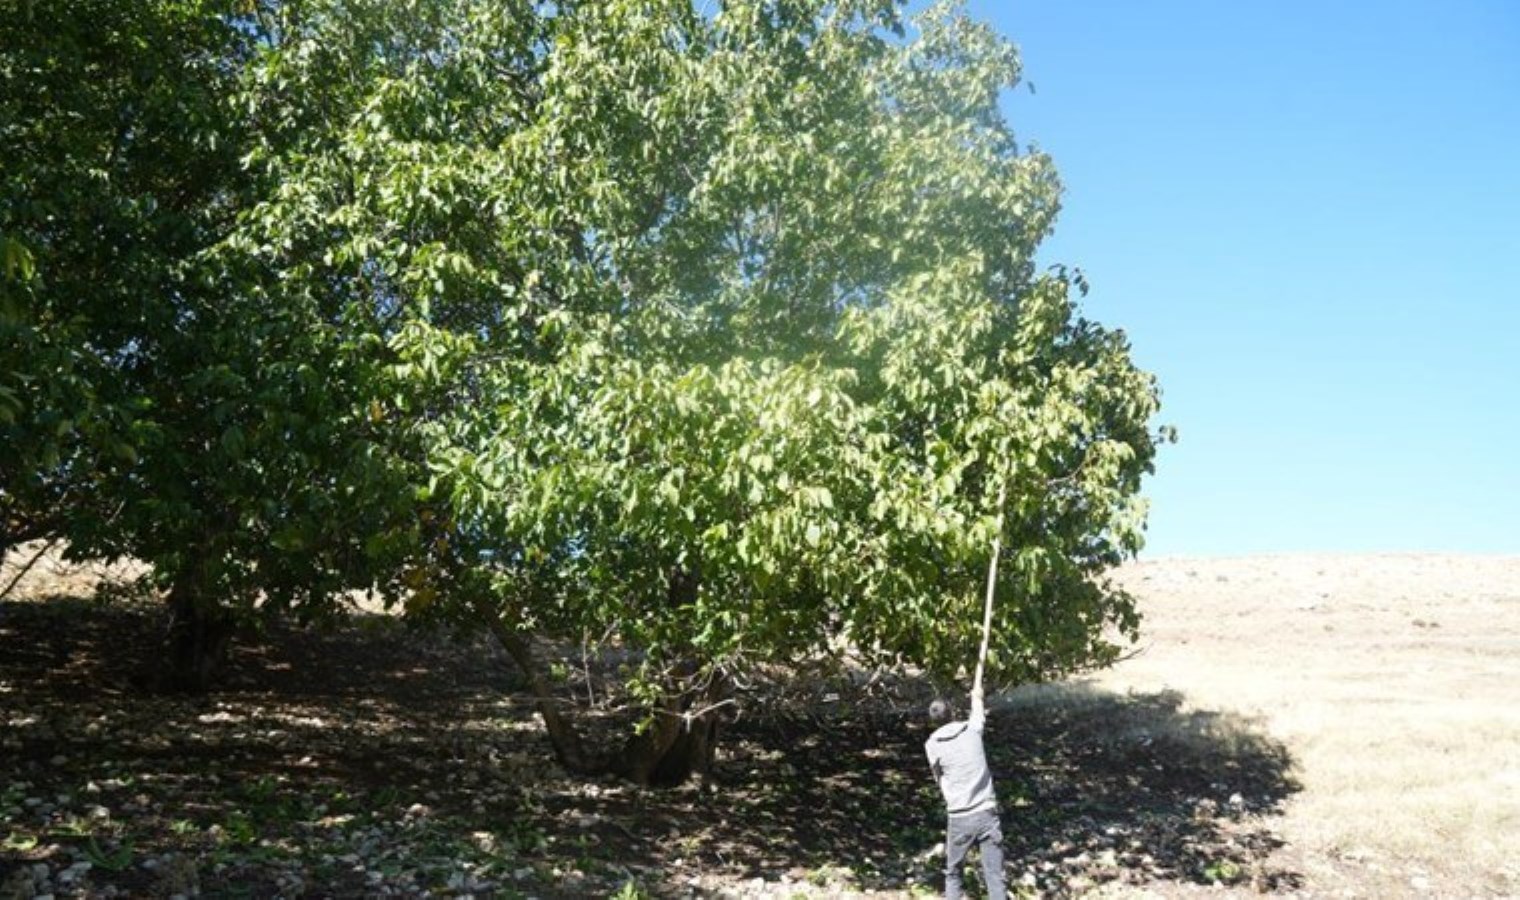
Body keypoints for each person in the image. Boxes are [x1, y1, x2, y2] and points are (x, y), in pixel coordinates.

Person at [925, 684, 1006, 900]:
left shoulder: (932, 745)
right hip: (987, 812)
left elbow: (938, 776)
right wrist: (977, 696)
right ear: (952, 712)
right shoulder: (972, 730)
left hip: (959, 816)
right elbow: (978, 710)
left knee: (953, 874)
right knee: (995, 876)